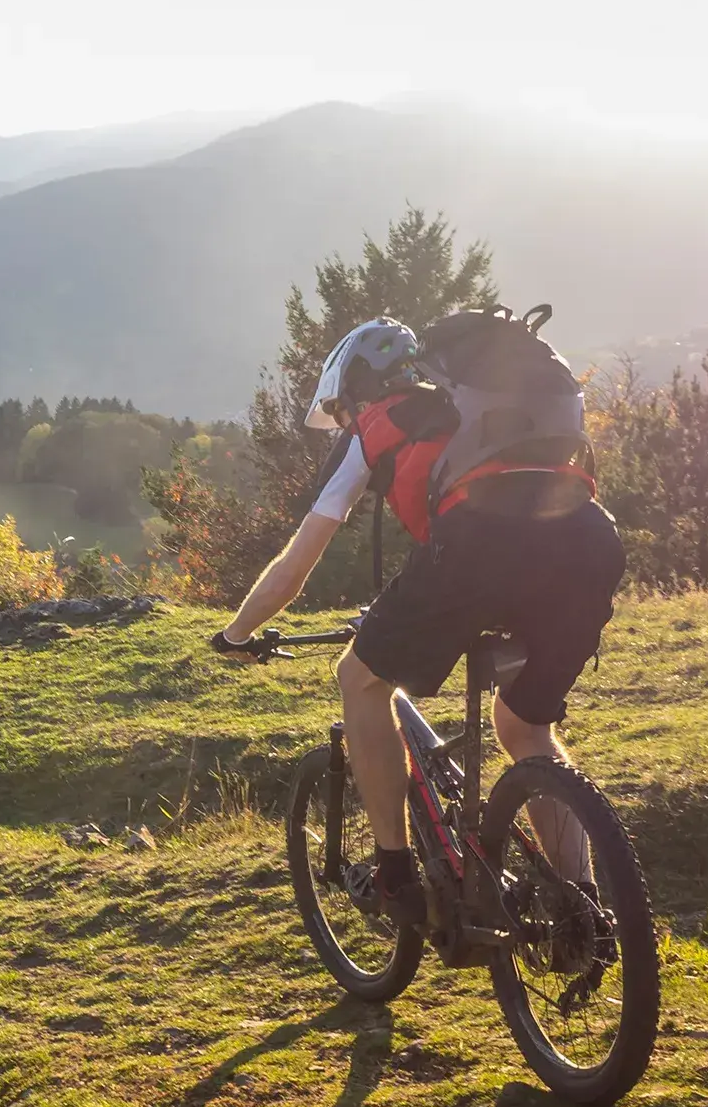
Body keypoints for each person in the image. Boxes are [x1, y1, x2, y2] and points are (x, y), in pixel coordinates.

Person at [208, 317, 625, 922]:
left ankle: (395, 874)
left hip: (479, 547)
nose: (346, 422)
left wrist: (236, 633)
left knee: (359, 679)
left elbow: (295, 566)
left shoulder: (379, 424)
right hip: (588, 541)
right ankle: (580, 910)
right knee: (523, 725)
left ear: (356, 392)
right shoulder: (475, 408)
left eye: (343, 409)